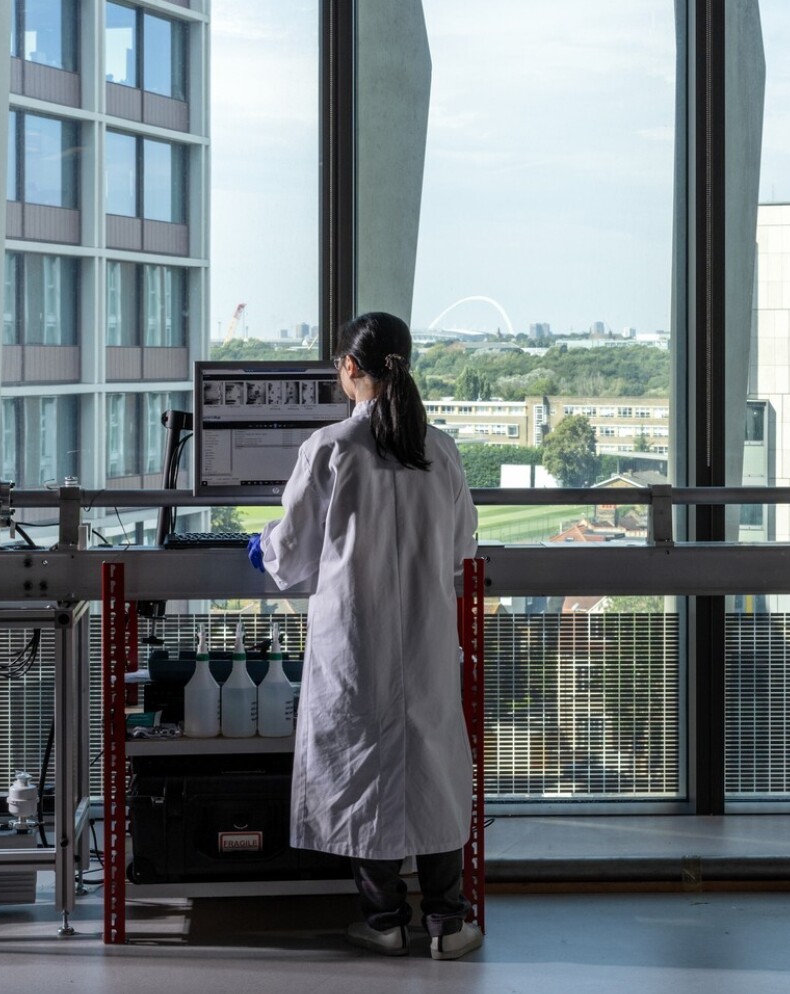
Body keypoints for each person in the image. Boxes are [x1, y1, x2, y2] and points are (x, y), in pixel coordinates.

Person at [248, 311, 482, 960]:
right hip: (427, 641)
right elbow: (463, 546)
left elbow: (290, 558)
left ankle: (383, 921)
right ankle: (447, 923)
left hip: (356, 643)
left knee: (361, 770)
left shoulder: (328, 448)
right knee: (432, 765)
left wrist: (258, 548)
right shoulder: (440, 449)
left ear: (350, 369)